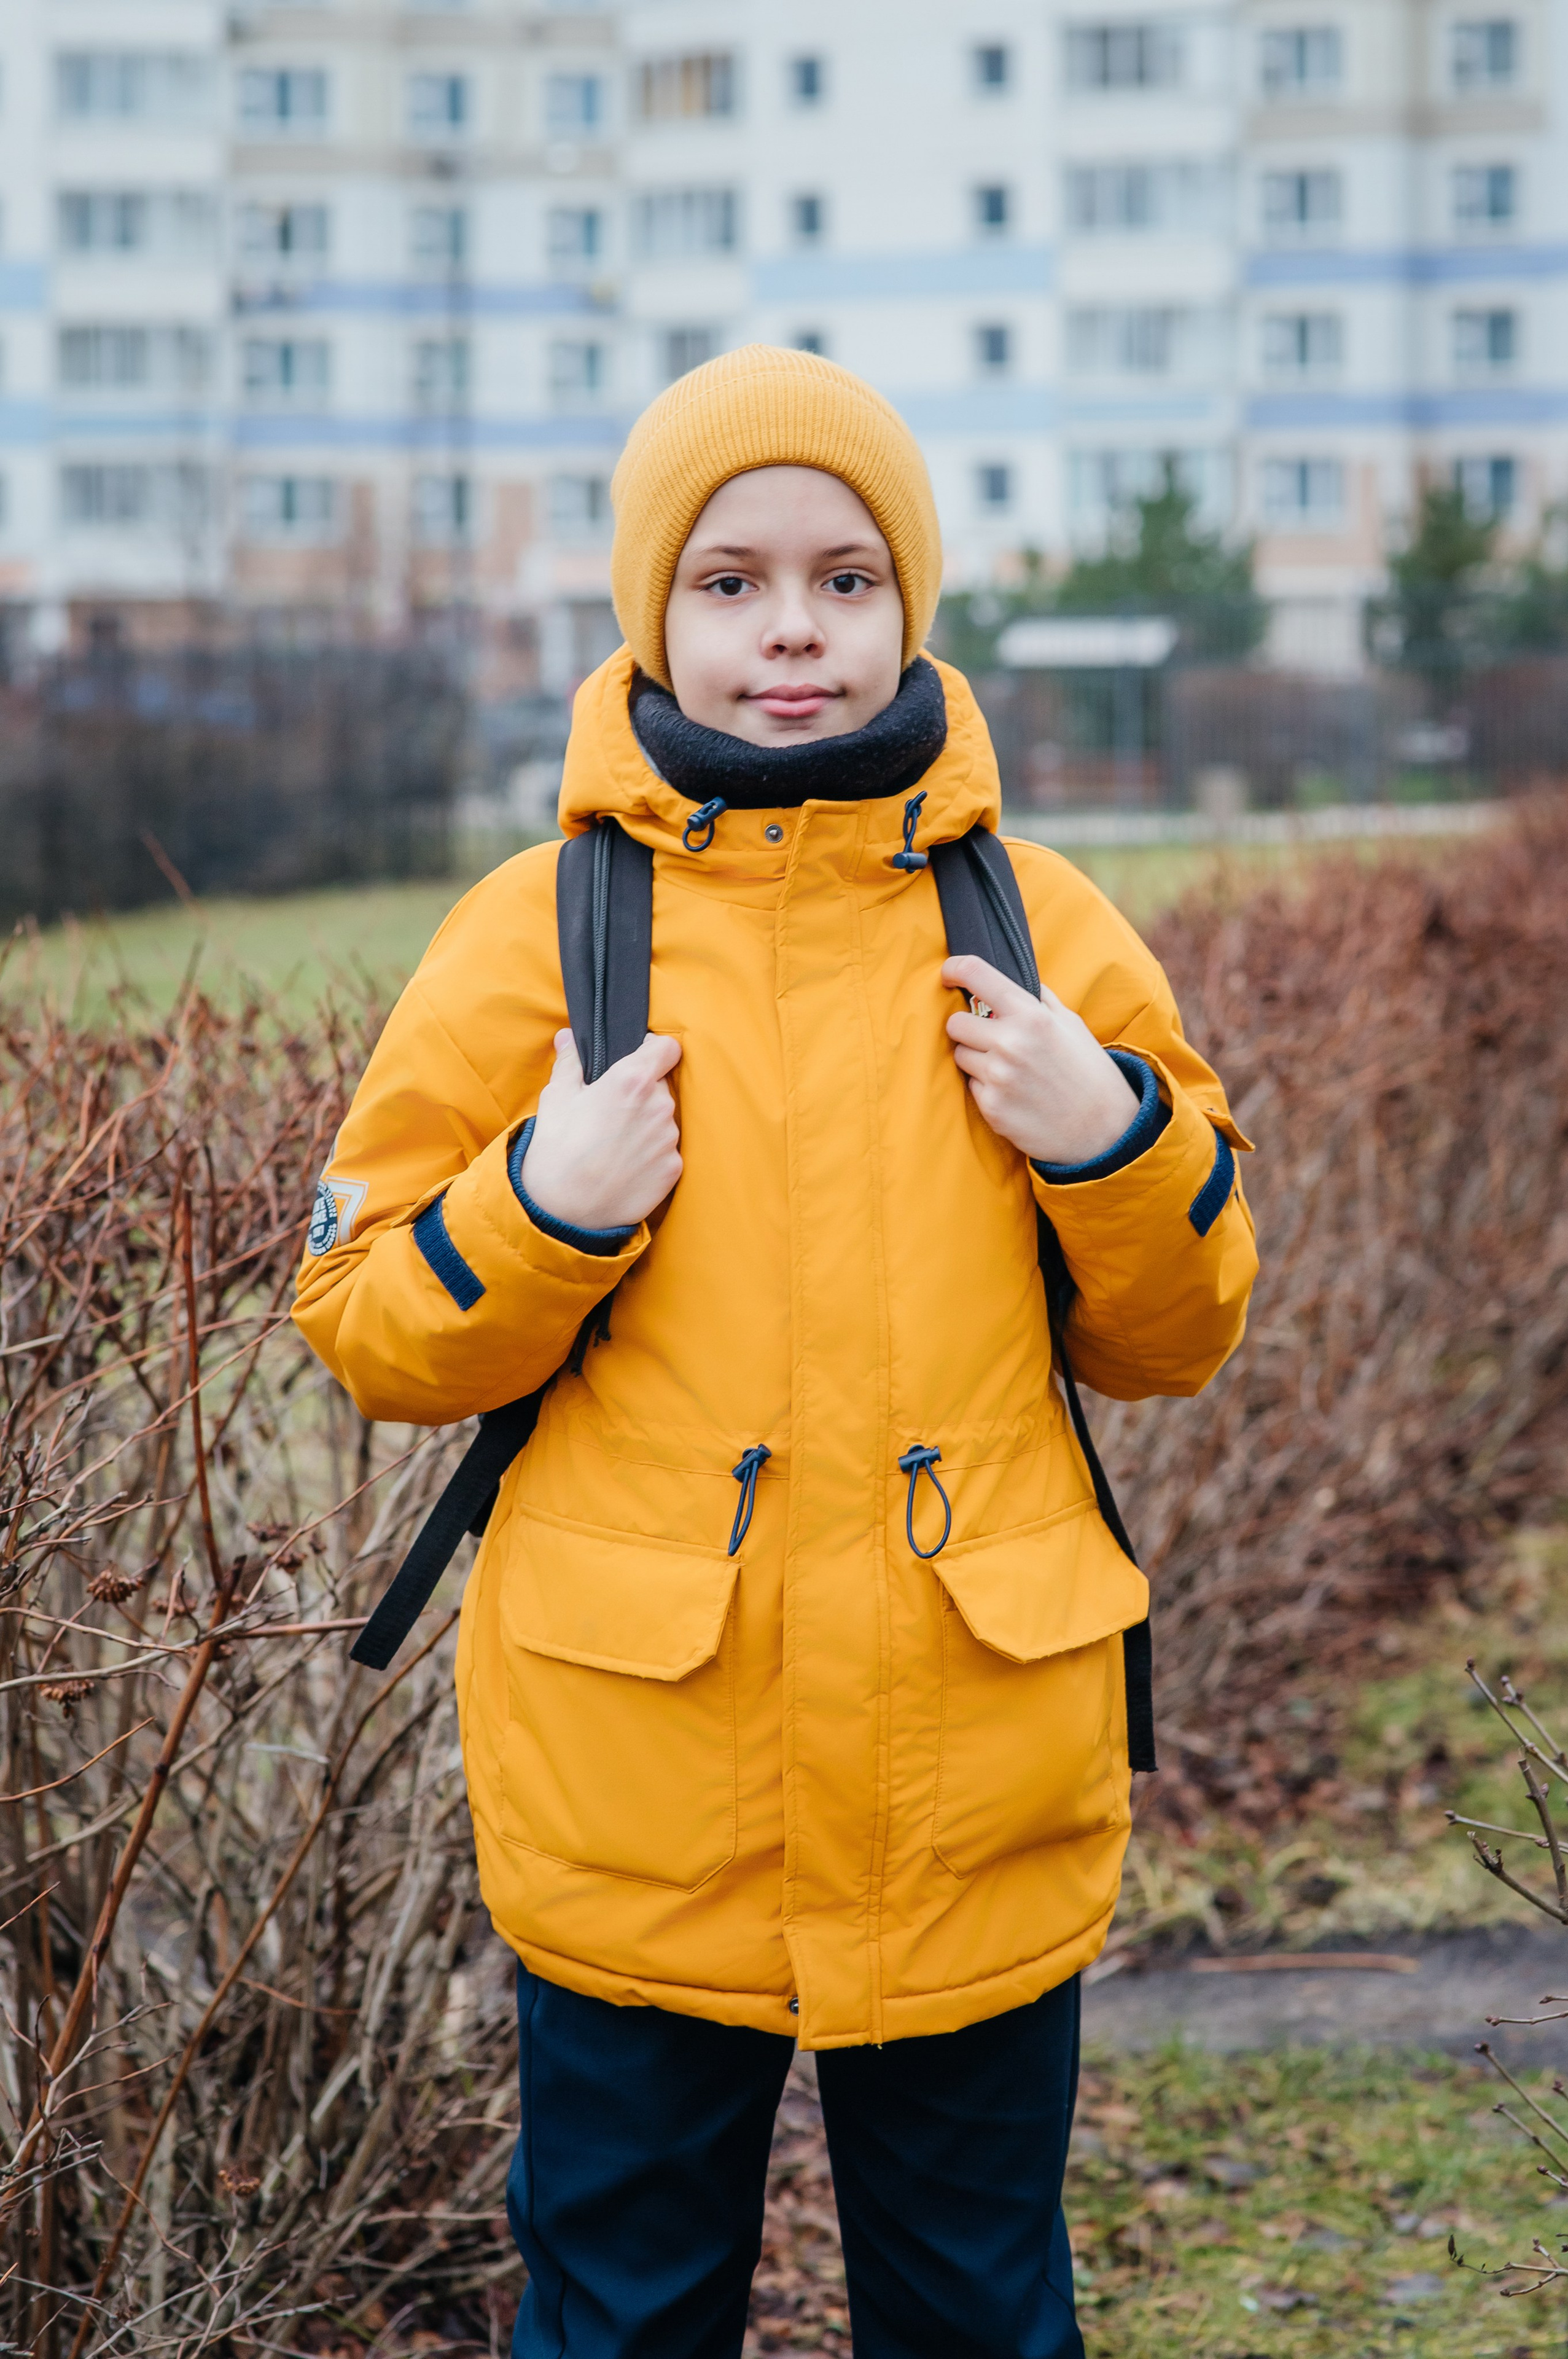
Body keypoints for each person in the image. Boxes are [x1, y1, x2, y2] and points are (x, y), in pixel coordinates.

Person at [294, 345, 1257, 2359]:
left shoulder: (1042, 924)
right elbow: (369, 1325)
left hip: (971, 1779)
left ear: (914, 601)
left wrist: (1112, 1139)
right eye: (729, 583)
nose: (792, 631)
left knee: (982, 2313)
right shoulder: (534, 934)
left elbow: (1183, 1332)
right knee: (625, 2317)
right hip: (646, 1790)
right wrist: (540, 1206)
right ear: (653, 611)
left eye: (844, 575)